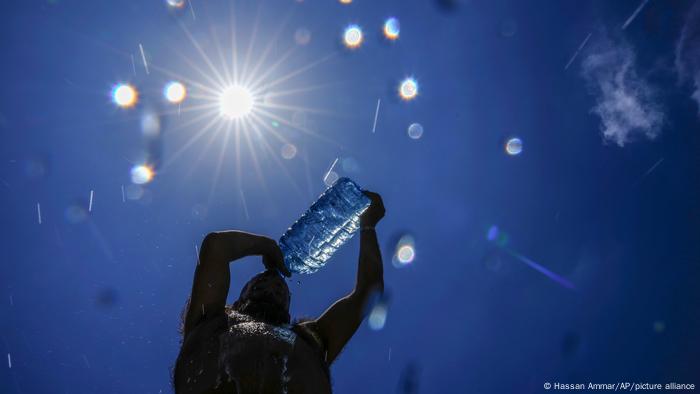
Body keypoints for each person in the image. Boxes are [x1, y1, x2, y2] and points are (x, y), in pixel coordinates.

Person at [173, 191, 385, 393]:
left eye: (279, 289)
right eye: (260, 284)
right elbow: (216, 246)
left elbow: (368, 291)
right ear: (238, 300)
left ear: (289, 305)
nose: (273, 287)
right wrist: (266, 246)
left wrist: (368, 226)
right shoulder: (208, 318)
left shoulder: (313, 338)